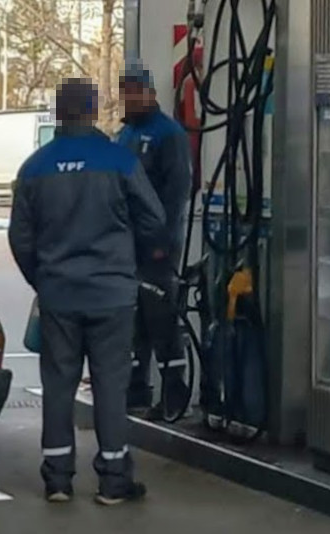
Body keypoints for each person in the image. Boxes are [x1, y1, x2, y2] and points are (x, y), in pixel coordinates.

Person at [8, 77, 166, 505]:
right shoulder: (119, 160)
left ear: (58, 113)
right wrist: (129, 263)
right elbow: (154, 218)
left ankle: (58, 480)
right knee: (110, 385)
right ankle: (114, 481)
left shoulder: (34, 167)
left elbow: (20, 239)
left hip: (59, 295)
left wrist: (43, 279)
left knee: (59, 385)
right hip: (112, 296)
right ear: (93, 110)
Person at [116, 59, 194, 421]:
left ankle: (174, 394)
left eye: (135, 91)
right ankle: (136, 390)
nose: (129, 98)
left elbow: (177, 191)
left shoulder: (168, 135)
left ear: (150, 92)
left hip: (157, 245)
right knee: (135, 321)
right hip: (129, 244)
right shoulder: (127, 134)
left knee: (161, 318)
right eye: (124, 91)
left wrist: (162, 240)